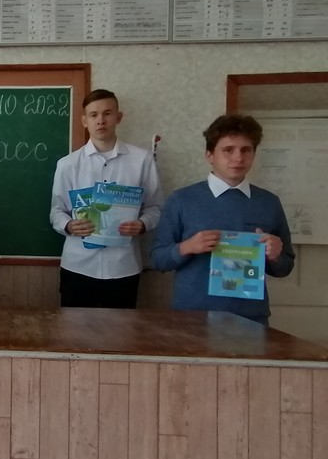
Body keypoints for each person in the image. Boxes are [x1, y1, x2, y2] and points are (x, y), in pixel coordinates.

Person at [151, 115, 295, 324]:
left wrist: (275, 256)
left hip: (251, 318)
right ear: (210, 155)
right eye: (228, 150)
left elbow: (285, 267)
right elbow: (158, 259)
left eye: (246, 150)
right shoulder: (182, 200)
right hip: (192, 316)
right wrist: (187, 247)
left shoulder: (269, 202)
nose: (238, 158)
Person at [50, 89, 164, 308]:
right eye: (93, 115)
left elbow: (156, 207)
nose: (101, 120)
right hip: (78, 267)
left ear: (118, 117)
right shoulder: (67, 164)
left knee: (121, 329)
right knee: (73, 329)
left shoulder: (142, 160)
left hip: (123, 268)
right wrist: (69, 225)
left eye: (107, 113)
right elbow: (56, 211)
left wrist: (142, 224)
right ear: (84, 121)